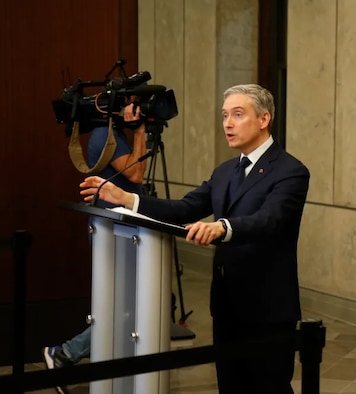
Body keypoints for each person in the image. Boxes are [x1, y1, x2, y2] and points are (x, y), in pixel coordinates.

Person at [79, 84, 310, 394]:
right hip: (227, 302)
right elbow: (185, 208)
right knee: (231, 386)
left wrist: (222, 227)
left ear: (264, 118)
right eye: (225, 115)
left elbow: (271, 219)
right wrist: (127, 198)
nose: (227, 123)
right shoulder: (225, 171)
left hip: (266, 306)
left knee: (268, 388)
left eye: (238, 115)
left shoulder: (291, 171)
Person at [43, 101, 146, 394]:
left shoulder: (116, 136)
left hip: (121, 230)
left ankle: (71, 357)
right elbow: (137, 175)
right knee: (121, 308)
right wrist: (140, 132)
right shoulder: (105, 136)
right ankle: (64, 354)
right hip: (113, 231)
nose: (133, 111)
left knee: (126, 307)